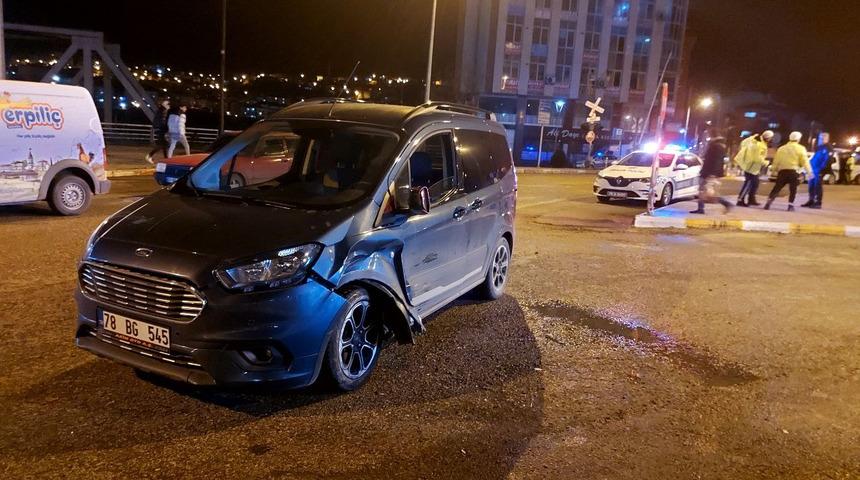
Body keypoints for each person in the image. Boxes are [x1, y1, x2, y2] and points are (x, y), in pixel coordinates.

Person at [690, 128, 733, 214]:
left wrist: (712, 174)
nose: (708, 137)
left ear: (713, 135)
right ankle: (700, 208)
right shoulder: (716, 145)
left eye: (709, 135)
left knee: (709, 194)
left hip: (709, 173)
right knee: (702, 191)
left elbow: (716, 161)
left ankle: (726, 203)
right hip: (707, 172)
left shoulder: (717, 146)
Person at [765, 131, 810, 212]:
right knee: (793, 189)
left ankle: (769, 202)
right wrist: (810, 172)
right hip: (794, 172)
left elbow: (776, 161)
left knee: (777, 188)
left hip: (782, 171)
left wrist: (773, 170)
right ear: (798, 139)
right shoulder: (801, 148)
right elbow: (805, 162)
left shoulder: (781, 148)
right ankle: (790, 206)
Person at [734, 130, 774, 206]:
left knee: (755, 184)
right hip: (751, 167)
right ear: (768, 138)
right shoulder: (759, 144)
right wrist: (766, 163)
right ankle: (740, 200)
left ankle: (751, 199)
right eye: (770, 138)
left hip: (753, 167)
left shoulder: (757, 141)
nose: (771, 140)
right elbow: (757, 158)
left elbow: (744, 143)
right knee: (748, 184)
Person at [802, 135, 831, 209]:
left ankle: (818, 202)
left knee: (817, 186)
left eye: (823, 138)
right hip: (813, 169)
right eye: (820, 138)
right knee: (811, 185)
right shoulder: (820, 147)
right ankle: (811, 200)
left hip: (819, 170)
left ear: (827, 139)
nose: (821, 139)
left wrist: (822, 169)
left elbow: (827, 160)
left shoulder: (827, 148)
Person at [145, 100, 170, 164]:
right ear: (164, 105)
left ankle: (166, 159)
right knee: (161, 145)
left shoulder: (162, 111)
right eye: (168, 104)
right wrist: (163, 128)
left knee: (165, 144)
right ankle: (149, 155)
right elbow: (160, 121)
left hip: (161, 129)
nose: (169, 106)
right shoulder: (161, 111)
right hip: (160, 129)